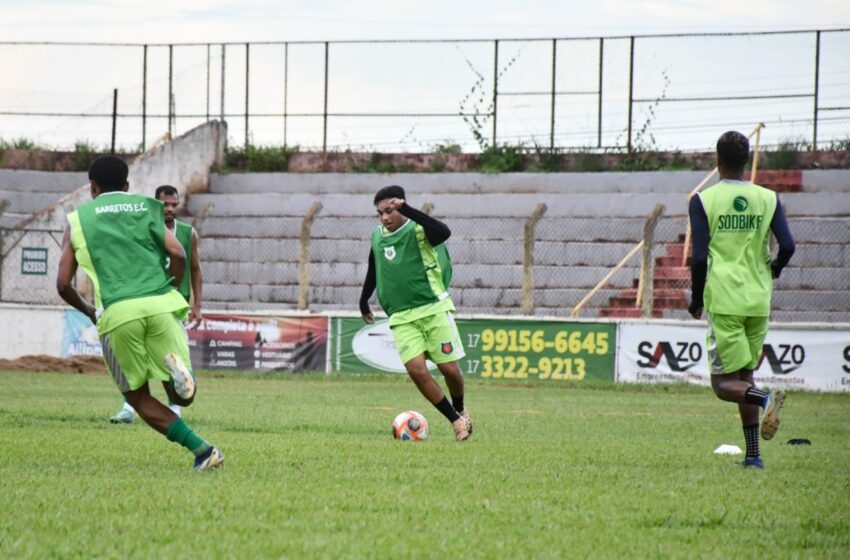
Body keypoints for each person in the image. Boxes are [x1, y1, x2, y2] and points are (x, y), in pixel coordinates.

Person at [56, 156, 223, 471]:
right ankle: (179, 377)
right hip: (161, 304)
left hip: (119, 313)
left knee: (137, 397)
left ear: (92, 187)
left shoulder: (78, 220)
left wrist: (91, 311)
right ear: (127, 186)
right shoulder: (148, 208)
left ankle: (203, 450)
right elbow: (177, 252)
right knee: (182, 397)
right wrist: (168, 288)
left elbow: (63, 284)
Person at [688, 131, 795, 469]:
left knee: (723, 385)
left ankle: (765, 398)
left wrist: (696, 298)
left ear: (718, 160)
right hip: (758, 300)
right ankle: (753, 456)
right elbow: (788, 246)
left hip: (725, 299)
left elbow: (700, 258)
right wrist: (774, 268)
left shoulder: (704, 200)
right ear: (746, 160)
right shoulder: (768, 198)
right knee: (743, 378)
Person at [360, 185, 472, 441]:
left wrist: (408, 210)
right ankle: (455, 421)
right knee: (416, 370)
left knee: (450, 370)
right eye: (380, 213)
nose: (385, 217)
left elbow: (444, 232)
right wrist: (364, 298)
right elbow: (373, 266)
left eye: (389, 211)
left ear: (400, 206)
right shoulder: (377, 236)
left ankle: (461, 407)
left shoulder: (420, 230)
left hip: (433, 309)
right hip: (401, 316)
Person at [110, 185, 204, 424]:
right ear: (156, 204)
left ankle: (175, 408)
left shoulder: (187, 233)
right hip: (144, 300)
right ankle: (129, 409)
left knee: (173, 357)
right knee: (138, 357)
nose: (171, 209)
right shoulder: (144, 230)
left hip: (174, 305)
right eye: (166, 204)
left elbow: (195, 269)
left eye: (175, 204)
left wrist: (197, 306)